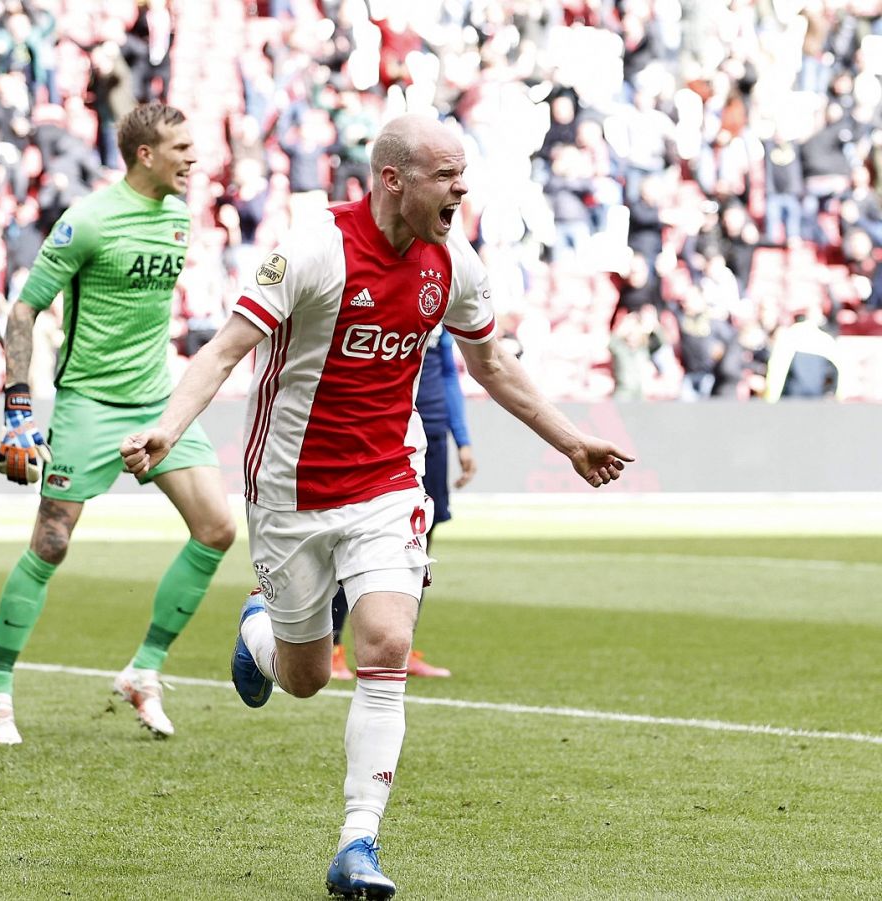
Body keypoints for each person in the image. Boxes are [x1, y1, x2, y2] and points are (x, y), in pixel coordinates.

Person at [121, 114, 632, 898]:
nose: (462, 188)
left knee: (386, 639)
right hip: (290, 490)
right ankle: (261, 632)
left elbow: (492, 363)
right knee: (303, 678)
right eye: (446, 175)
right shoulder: (314, 247)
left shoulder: (452, 262)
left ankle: (358, 841)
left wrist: (572, 440)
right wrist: (166, 426)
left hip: (389, 484)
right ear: (393, 180)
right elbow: (226, 349)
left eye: (464, 174)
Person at [0, 103, 235, 745]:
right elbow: (24, 310)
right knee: (52, 543)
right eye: (181, 148)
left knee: (218, 528)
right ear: (145, 154)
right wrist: (17, 410)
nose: (193, 159)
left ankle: (143, 671)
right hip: (88, 403)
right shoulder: (87, 221)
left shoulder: (179, 217)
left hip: (157, 399)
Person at [328, 328, 473, 681]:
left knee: (420, 538)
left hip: (433, 429)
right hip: (384, 430)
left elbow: (449, 372)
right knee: (358, 531)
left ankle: (401, 647)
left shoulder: (440, 293)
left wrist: (463, 438)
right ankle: (331, 646)